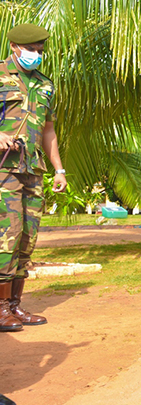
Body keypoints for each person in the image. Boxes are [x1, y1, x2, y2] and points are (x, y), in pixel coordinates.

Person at [1, 24, 66, 332]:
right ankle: (1, 309)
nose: (36, 56)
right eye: (32, 50)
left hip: (32, 170)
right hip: (4, 170)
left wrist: (59, 169)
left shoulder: (45, 85)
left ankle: (15, 307)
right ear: (14, 46)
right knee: (7, 237)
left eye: (40, 51)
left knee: (27, 239)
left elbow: (48, 130)